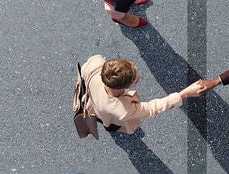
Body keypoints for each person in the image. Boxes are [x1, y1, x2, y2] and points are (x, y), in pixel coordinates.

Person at [77, 55, 212, 135]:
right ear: (124, 87)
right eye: (136, 79)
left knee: (105, 118)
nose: (140, 77)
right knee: (113, 126)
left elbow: (84, 71)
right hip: (110, 114)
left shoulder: (97, 64)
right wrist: (185, 93)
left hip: (94, 101)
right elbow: (152, 108)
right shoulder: (123, 110)